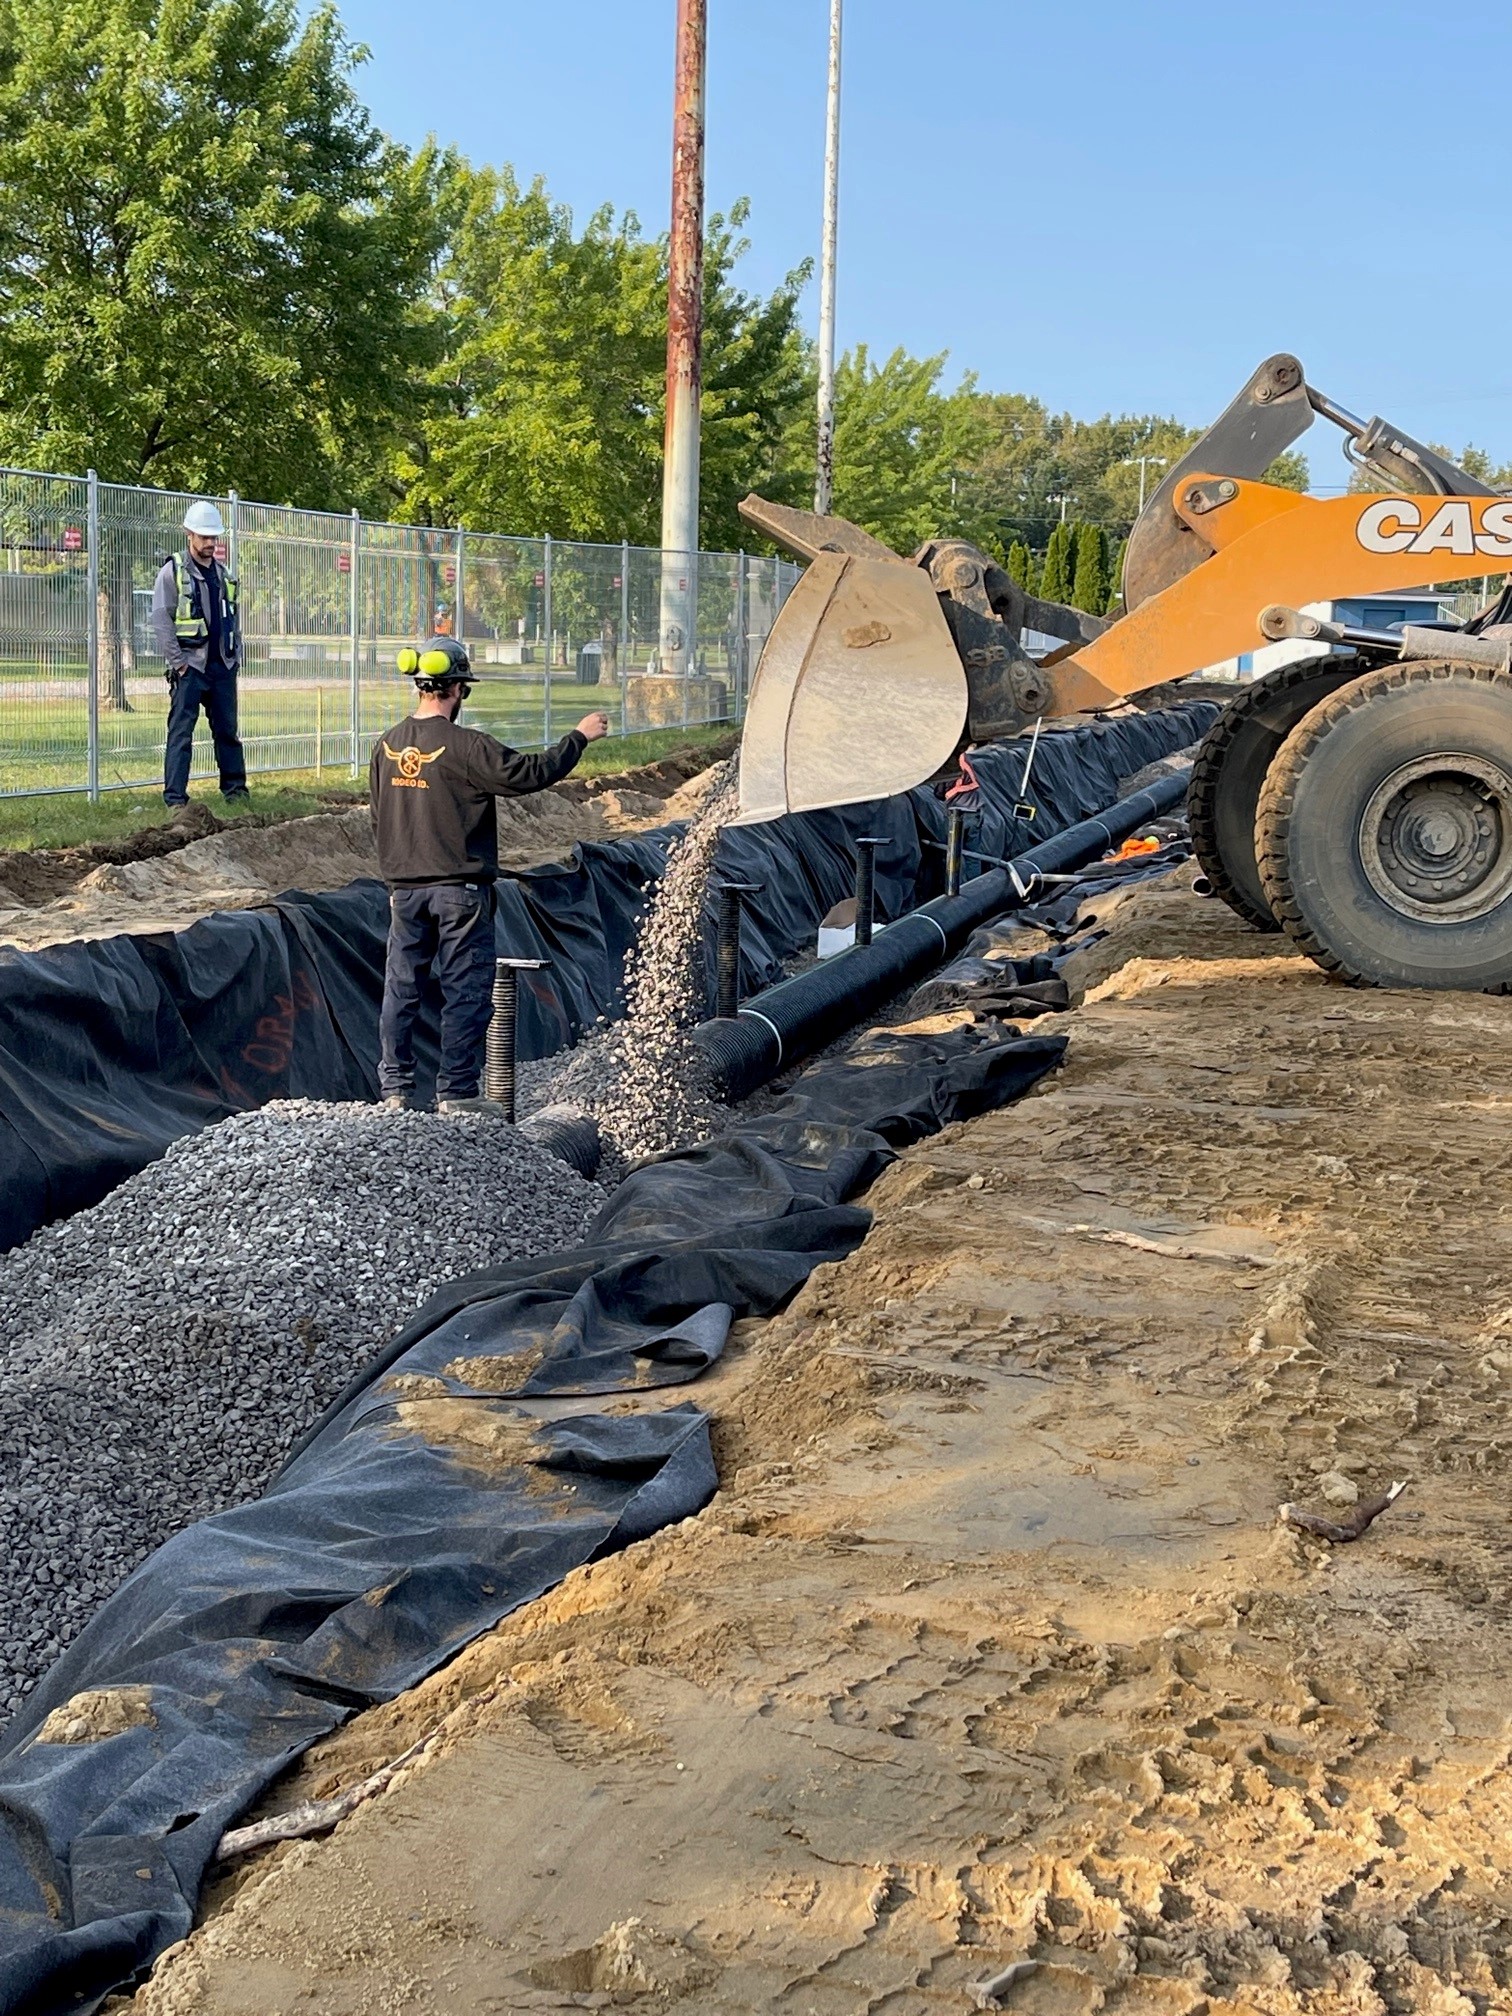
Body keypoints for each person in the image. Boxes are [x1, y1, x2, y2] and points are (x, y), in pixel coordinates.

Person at [371, 635, 609, 1113]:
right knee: (465, 990)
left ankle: (395, 1091)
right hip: (459, 890)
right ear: (457, 689)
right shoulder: (466, 747)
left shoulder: (386, 745)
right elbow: (528, 773)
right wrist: (578, 737)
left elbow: (379, 816)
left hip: (404, 890)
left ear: (419, 685)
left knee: (401, 988)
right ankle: (456, 1094)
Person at [151, 500, 247, 809]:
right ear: (188, 534)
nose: (210, 544)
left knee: (227, 734)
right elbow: (162, 619)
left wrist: (235, 659)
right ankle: (176, 801)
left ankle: (236, 794)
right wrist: (178, 665)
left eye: (214, 538)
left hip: (222, 668)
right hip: (190, 669)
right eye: (204, 537)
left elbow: (233, 619)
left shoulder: (224, 574)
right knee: (181, 735)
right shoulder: (173, 571)